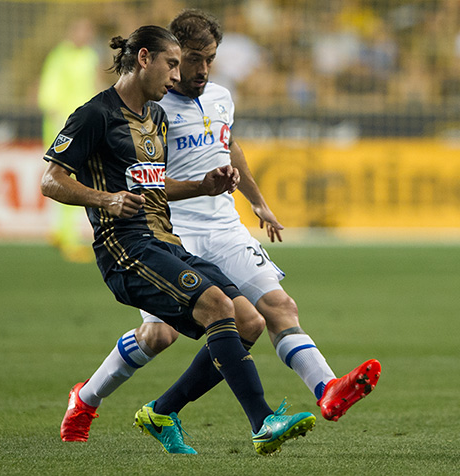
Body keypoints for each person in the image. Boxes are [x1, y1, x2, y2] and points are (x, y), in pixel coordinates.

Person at [59, 8, 381, 450]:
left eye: (209, 58)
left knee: (273, 309)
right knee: (159, 335)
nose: (199, 69)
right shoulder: (145, 107)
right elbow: (126, 179)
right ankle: (89, 398)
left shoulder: (220, 97)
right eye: (189, 59)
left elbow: (229, 147)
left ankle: (327, 390)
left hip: (224, 225)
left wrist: (258, 201)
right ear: (160, 57)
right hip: (169, 230)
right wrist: (112, 199)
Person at [38, 18, 101, 263]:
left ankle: (59, 231)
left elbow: (94, 86)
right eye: (82, 30)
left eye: (88, 31)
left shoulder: (89, 56)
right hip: (63, 126)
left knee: (71, 177)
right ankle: (69, 239)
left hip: (84, 126)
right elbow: (49, 93)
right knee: (64, 177)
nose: (85, 35)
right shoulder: (59, 56)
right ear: (71, 31)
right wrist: (60, 125)